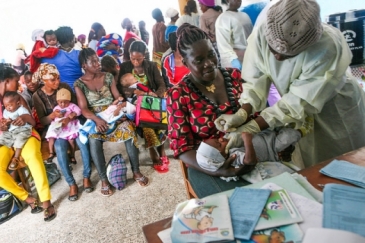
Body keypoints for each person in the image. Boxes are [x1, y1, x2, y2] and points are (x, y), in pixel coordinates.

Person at [214, 0, 365, 168]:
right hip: (298, 108)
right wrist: (243, 112)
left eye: (288, 55)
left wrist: (252, 127)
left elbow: (298, 101)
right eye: (273, 50)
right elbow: (255, 79)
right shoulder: (263, 32)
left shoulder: (327, 46)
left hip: (335, 109)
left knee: (344, 163)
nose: (277, 58)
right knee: (309, 164)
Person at [166, 23, 249, 198]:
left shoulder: (234, 77)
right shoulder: (178, 94)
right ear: (185, 62)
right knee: (233, 208)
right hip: (205, 166)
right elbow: (181, 147)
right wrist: (218, 171)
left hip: (247, 150)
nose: (209, 63)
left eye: (211, 55)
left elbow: (256, 114)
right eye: (199, 60)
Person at [75, 48, 150, 190]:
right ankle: (104, 179)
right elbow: (84, 109)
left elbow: (117, 97)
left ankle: (136, 171)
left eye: (98, 60)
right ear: (84, 65)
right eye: (93, 62)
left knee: (129, 129)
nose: (98, 63)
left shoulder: (108, 77)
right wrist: (97, 120)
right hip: (96, 118)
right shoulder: (79, 84)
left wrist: (120, 111)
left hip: (114, 113)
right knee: (93, 138)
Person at [0, 65, 56, 222]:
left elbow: (31, 121)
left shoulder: (17, 98)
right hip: (6, 139)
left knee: (32, 155)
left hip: (26, 133)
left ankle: (46, 201)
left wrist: (23, 118)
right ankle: (28, 198)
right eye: (16, 81)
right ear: (6, 81)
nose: (18, 85)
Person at [32, 63, 93, 201]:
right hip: (57, 129)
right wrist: (52, 116)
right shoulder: (38, 96)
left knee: (83, 143)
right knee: (59, 148)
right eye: (52, 80)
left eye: (58, 78)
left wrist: (72, 116)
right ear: (44, 80)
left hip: (72, 125)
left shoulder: (64, 87)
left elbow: (76, 107)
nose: (57, 82)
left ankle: (86, 176)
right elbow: (42, 120)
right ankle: (71, 184)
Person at [118, 41, 168, 173]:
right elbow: (120, 88)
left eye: (138, 59)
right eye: (133, 58)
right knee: (146, 122)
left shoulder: (151, 66)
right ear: (129, 55)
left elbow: (161, 84)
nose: (135, 62)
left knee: (159, 119)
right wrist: (134, 92)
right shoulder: (124, 67)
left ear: (144, 55)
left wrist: (155, 95)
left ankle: (161, 149)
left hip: (152, 101)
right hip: (136, 104)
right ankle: (153, 151)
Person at [197, 128, 300, 182]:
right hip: (272, 148)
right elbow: (249, 161)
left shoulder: (229, 146)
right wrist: (247, 141)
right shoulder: (234, 157)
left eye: (216, 139)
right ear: (221, 156)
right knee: (289, 136)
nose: (221, 139)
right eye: (219, 144)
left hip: (266, 136)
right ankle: (302, 130)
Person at [45, 88, 81, 165]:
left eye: (65, 102)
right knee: (51, 136)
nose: (63, 104)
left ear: (69, 101)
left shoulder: (72, 106)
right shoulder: (56, 108)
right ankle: (51, 153)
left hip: (68, 126)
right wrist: (57, 115)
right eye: (60, 102)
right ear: (57, 101)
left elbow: (79, 111)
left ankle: (72, 155)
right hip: (58, 125)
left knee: (71, 140)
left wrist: (74, 114)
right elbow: (54, 116)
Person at [215, 0, 253, 69]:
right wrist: (234, 61)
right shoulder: (223, 19)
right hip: (238, 59)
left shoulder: (245, 15)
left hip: (250, 56)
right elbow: (223, 45)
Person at [0, 91, 32, 170]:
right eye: (6, 106)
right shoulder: (6, 111)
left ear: (18, 103)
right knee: (3, 137)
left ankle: (16, 158)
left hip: (23, 129)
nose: (8, 108)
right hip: (11, 130)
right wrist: (5, 123)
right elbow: (7, 122)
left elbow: (26, 118)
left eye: (10, 105)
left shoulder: (21, 109)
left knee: (19, 140)